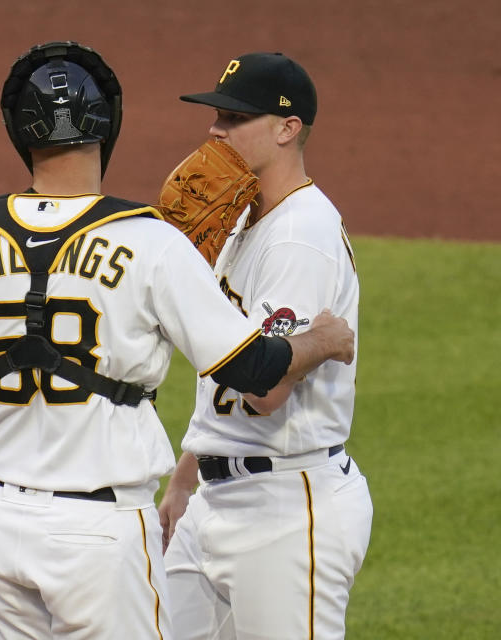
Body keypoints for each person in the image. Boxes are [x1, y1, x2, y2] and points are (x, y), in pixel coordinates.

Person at [0, 41, 355, 640]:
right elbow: (258, 371)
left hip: (0, 526)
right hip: (102, 536)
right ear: (107, 129)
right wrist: (323, 340)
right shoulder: (151, 242)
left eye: (235, 118)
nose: (216, 133)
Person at [158, 52, 373, 639]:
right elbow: (222, 368)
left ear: (287, 128)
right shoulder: (240, 222)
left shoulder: (301, 235)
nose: (215, 130)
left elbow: (265, 388)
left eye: (234, 118)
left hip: (284, 506)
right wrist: (187, 473)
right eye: (216, 116)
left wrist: (323, 341)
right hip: (215, 495)